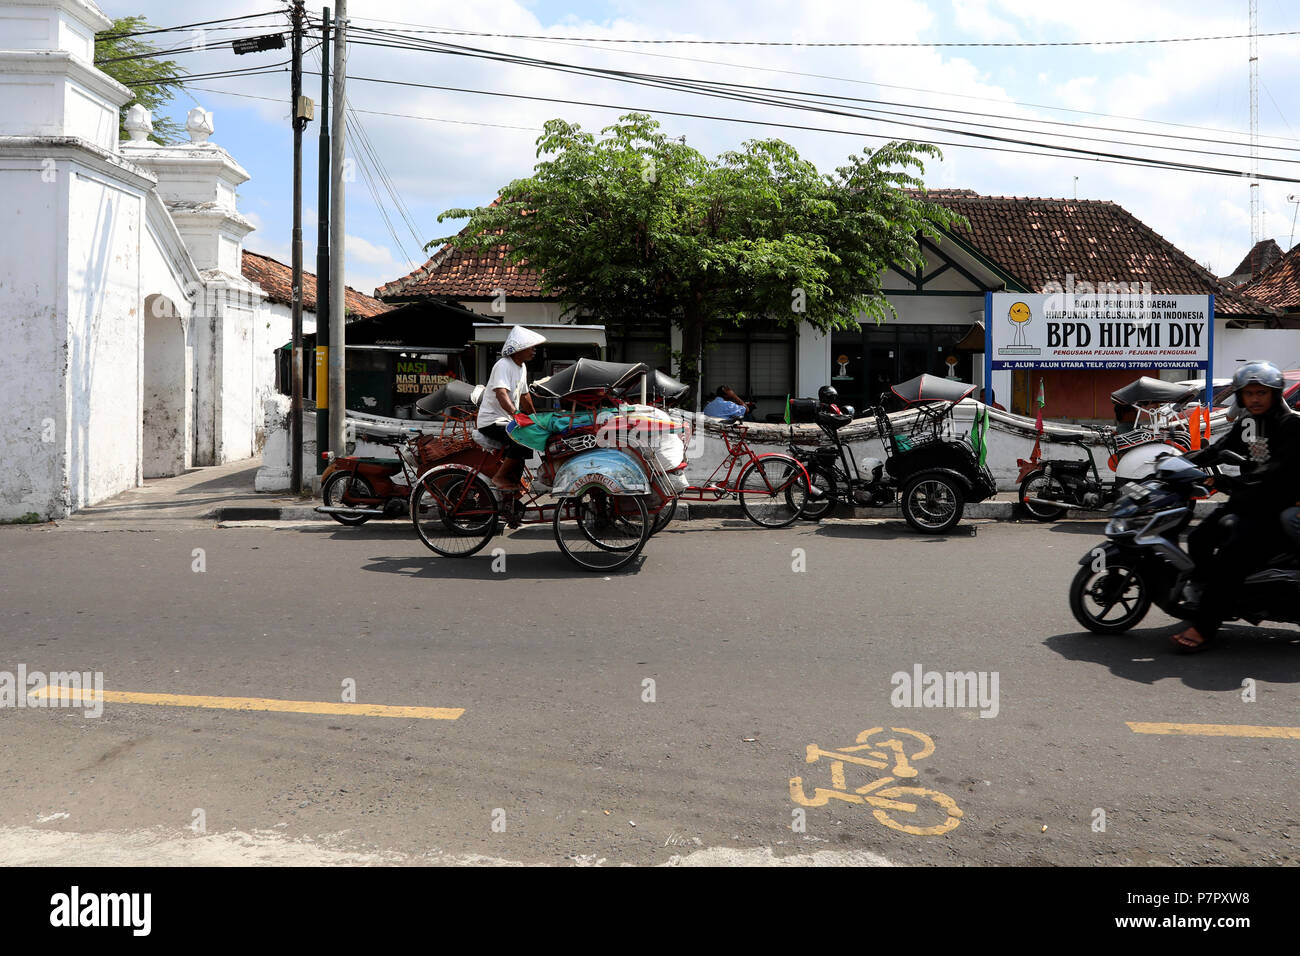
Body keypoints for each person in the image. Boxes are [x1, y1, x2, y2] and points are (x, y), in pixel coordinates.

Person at [1171, 360, 1300, 652]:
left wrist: (1227, 485)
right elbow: (1217, 451)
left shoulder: (1291, 425)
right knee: (1198, 538)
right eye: (1248, 393)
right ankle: (1206, 596)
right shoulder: (1248, 423)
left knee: (1231, 559)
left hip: (1276, 510)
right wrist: (1178, 463)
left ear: (1275, 393)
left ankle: (1205, 626)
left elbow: (1276, 475)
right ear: (1240, 396)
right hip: (1247, 502)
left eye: (1261, 393)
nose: (1254, 399)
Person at [477, 326, 545, 491]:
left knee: (529, 441)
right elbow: (501, 394)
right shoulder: (503, 365)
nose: (534, 350)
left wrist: (535, 419)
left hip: (506, 420)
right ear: (518, 349)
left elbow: (525, 396)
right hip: (491, 422)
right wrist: (516, 414)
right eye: (530, 346)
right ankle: (499, 477)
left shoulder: (521, 367)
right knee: (521, 440)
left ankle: (513, 482)